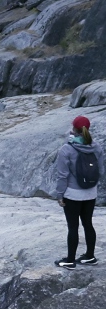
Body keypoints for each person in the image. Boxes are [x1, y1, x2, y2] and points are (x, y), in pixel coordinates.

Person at [53, 114, 105, 268]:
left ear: (73, 129)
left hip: (72, 194)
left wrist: (60, 195)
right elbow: (101, 171)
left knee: (73, 227)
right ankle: (90, 256)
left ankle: (69, 260)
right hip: (91, 192)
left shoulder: (67, 149)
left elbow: (62, 175)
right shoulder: (96, 147)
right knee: (88, 224)